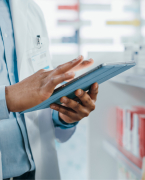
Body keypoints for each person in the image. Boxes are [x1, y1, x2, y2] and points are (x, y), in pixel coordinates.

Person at [0, 0, 99, 179]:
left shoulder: (30, 9)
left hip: (33, 172)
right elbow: (17, 95)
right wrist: (6, 99)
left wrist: (63, 115)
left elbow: (37, 98)